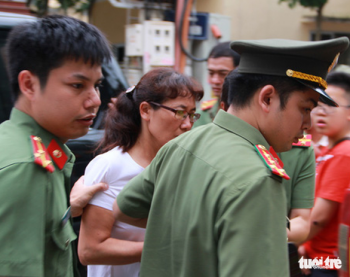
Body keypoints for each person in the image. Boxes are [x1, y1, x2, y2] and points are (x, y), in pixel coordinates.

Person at [113, 37, 349, 277]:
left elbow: (124, 208)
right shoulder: (257, 179)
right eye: (305, 109)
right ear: (267, 98)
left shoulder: (183, 143)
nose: (308, 124)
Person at [0, 15, 112, 277]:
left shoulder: (22, 144)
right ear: (29, 84)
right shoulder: (27, 167)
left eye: (97, 85)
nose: (95, 100)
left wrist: (67, 208)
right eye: (77, 85)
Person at [78, 68, 203, 277]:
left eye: (192, 115)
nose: (187, 124)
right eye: (180, 112)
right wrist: (165, 248)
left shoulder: (181, 165)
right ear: (145, 110)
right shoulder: (111, 165)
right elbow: (90, 250)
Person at [221, 71, 315, 245]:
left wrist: (257, 232)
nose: (308, 124)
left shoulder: (300, 151)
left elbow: (302, 221)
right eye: (305, 109)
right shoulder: (213, 146)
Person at [299, 71, 350, 277]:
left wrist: (293, 247)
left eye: (331, 106)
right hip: (316, 257)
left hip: (328, 265)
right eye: (318, 105)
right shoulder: (328, 151)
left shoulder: (343, 154)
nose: (320, 112)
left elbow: (318, 219)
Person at [192, 41, 240, 127]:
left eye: (223, 74)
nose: (215, 80)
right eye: (211, 73)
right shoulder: (201, 115)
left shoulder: (252, 116)